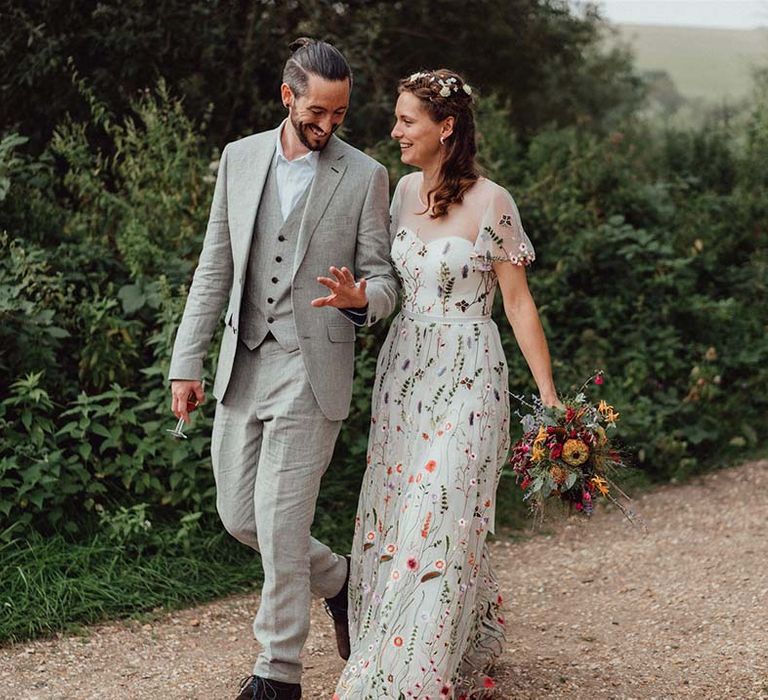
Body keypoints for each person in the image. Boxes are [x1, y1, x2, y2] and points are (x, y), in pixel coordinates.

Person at [168, 38, 398, 700]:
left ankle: (279, 672)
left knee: (279, 518)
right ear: (287, 97)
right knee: (240, 515)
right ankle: (341, 580)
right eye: (316, 112)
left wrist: (362, 301)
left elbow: (384, 278)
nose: (327, 127)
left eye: (340, 115)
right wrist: (186, 363)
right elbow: (215, 266)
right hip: (244, 363)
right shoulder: (238, 159)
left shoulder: (364, 176)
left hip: (313, 366)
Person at [332, 69, 558, 699]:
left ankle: (409, 672)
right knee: (403, 512)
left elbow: (517, 303)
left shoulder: (494, 202)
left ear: (446, 128)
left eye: (408, 120)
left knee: (443, 511)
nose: (396, 130)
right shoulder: (401, 189)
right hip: (405, 373)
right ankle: (451, 638)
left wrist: (547, 392)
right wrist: (357, 297)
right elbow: (384, 279)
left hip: (469, 371)